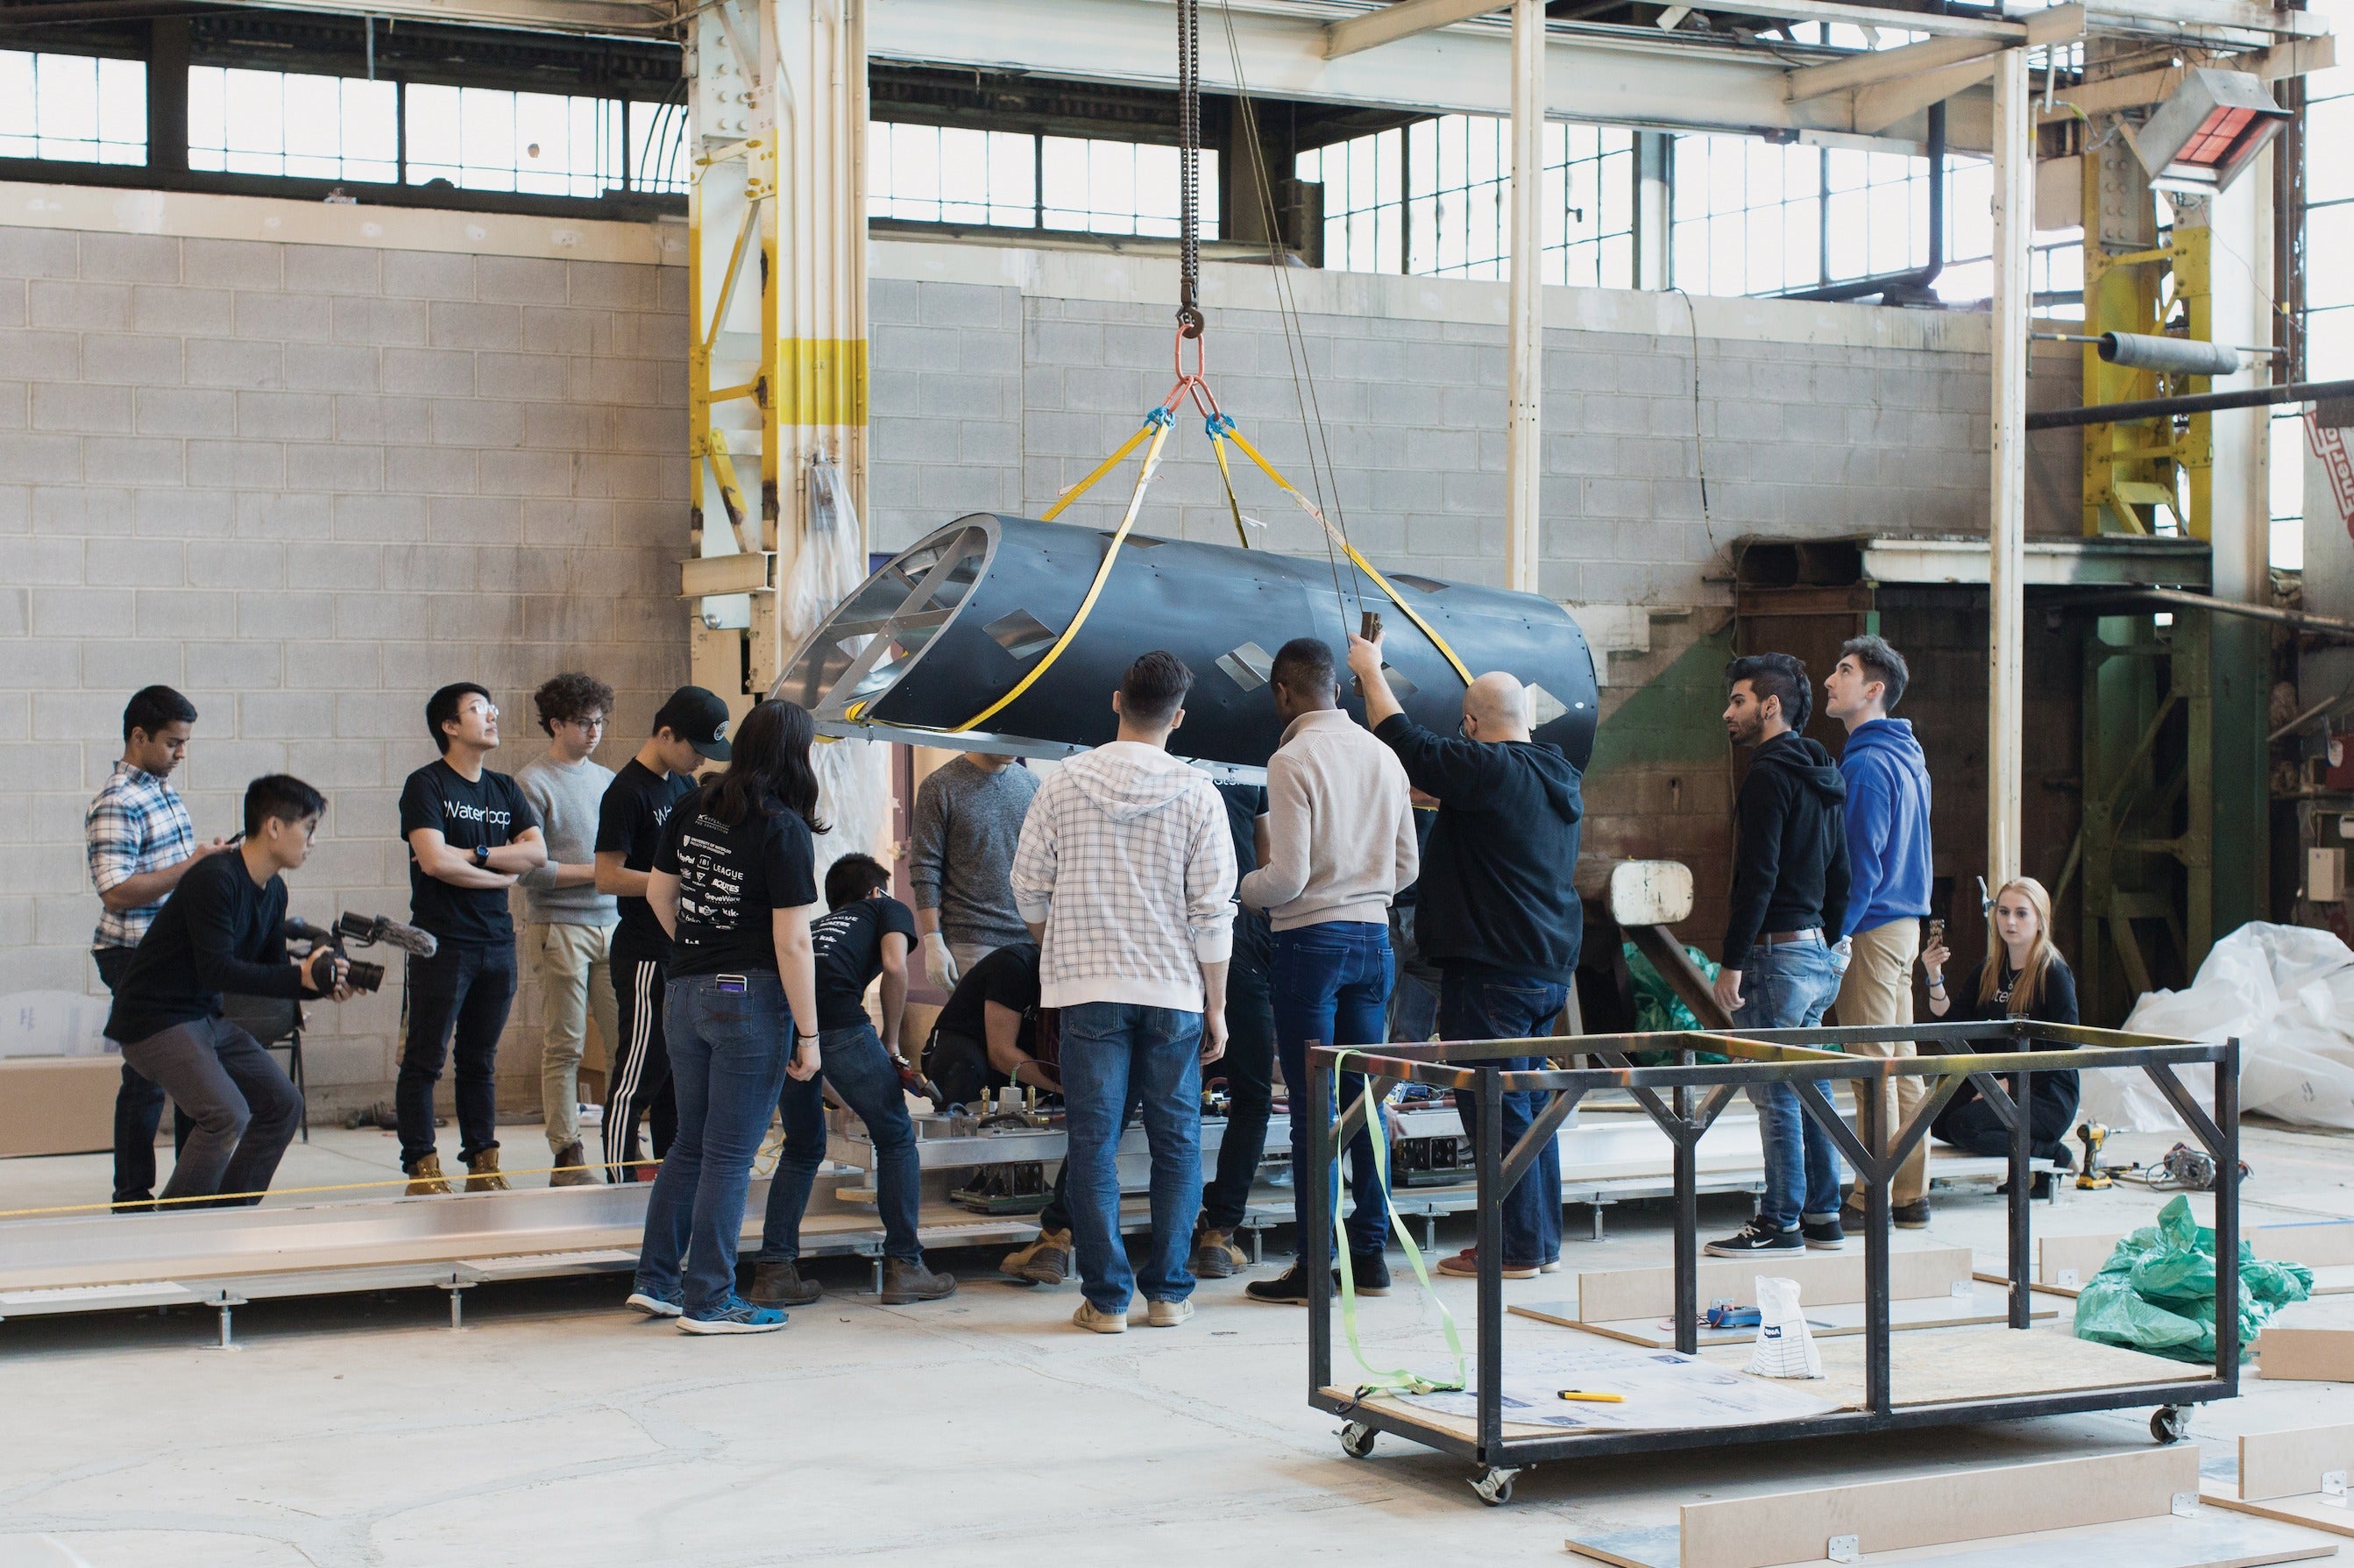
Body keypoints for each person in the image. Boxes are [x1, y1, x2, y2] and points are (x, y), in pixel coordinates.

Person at [1347, 630, 1583, 1281]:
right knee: (1528, 1105)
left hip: (1492, 972)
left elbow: (1407, 742)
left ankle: (1514, 1248)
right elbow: (1475, 801)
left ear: (1472, 724)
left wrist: (1369, 669)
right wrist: (1440, 795)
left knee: (1495, 1105)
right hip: (1543, 969)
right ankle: (1538, 1241)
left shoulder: (1489, 768)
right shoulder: (1555, 773)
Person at [1010, 651, 1235, 1334]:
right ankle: (1167, 1292)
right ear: (1180, 716)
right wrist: (1216, 1005)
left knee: (1094, 1141)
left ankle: (1105, 1299)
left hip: (1088, 988)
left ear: (1116, 701)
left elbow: (1026, 887)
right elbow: (1213, 911)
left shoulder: (1062, 782)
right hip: (1173, 989)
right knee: (1176, 1143)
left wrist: (1061, 946)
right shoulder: (1199, 793)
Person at [627, 699, 823, 1335]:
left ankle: (657, 1282)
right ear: (798, 753)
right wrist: (810, 1034)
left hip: (682, 990)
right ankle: (709, 1299)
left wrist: (696, 948)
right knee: (731, 1154)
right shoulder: (783, 825)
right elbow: (794, 943)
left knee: (690, 1142)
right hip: (749, 996)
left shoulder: (693, 801)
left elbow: (660, 892)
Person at [1237, 637, 1419, 1305]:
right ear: (1336, 690)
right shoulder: (1384, 754)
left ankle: (1316, 1265)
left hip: (1310, 943)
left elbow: (1286, 878)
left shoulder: (1292, 759)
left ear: (1283, 694)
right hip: (1376, 942)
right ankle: (1368, 1256)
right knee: (1361, 1103)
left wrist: (1241, 887)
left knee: (1315, 1108)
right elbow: (1408, 868)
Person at [103, 776, 349, 1208]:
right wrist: (301, 979)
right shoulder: (215, 879)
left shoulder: (274, 890)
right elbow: (218, 969)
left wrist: (323, 986)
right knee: (226, 1113)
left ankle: (228, 1212)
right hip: (154, 1020)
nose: (313, 842)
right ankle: (182, 1225)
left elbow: (270, 972)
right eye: (308, 828)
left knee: (283, 1103)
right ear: (274, 827)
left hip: (202, 1018)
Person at [751, 853, 956, 1308]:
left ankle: (775, 1272)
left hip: (788, 1026)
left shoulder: (820, 923)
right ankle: (906, 1266)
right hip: (843, 1024)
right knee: (896, 1136)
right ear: (875, 889)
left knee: (803, 1148)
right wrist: (890, 1042)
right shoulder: (887, 907)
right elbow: (897, 967)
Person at [1705, 654, 1853, 1258]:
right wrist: (1829, 940)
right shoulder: (1824, 770)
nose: (1727, 712)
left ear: (1770, 706)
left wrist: (1733, 960)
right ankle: (1823, 1212)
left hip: (1776, 957)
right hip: (1816, 954)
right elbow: (1841, 872)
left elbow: (1757, 875)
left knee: (1777, 1093)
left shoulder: (1768, 773)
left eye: (1738, 700)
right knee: (1808, 1085)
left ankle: (1780, 1219)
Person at [397, 683, 548, 1196]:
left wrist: (476, 855)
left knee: (479, 1059)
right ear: (450, 725)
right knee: (426, 1056)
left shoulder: (505, 788)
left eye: (492, 707)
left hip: (496, 943)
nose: (492, 715)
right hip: (442, 942)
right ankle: (421, 1163)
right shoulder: (426, 785)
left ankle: (483, 1162)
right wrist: (501, 873)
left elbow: (536, 854)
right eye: (478, 709)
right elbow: (435, 862)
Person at [87, 685, 223, 1210]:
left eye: (185, 743)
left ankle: (194, 1186)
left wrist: (207, 861)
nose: (181, 754)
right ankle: (133, 1195)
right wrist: (192, 865)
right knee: (148, 1079)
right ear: (138, 737)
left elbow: (167, 872)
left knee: (196, 1071)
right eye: (172, 743)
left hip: (171, 952)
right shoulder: (116, 802)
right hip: (132, 954)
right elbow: (117, 890)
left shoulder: (162, 790)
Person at [595, 686, 732, 1182]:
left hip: (681, 953)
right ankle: (618, 1182)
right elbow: (607, 875)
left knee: (679, 1078)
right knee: (639, 1073)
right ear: (666, 734)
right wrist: (669, 883)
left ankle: (676, 1183)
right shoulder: (627, 791)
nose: (699, 761)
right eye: (695, 749)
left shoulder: (681, 787)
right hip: (644, 954)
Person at [1823, 636, 1937, 1230]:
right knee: (1903, 1065)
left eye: (1843, 671)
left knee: (1873, 1070)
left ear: (1874, 689)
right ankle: (1911, 1194)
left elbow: (1861, 864)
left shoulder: (1865, 762)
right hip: (1904, 925)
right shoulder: (1907, 755)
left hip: (1870, 925)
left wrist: (1837, 935)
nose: (1829, 681)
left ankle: (1874, 1197)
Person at [514, 673, 620, 1188]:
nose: (594, 731)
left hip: (612, 923)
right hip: (560, 925)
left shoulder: (606, 779)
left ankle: (624, 1137)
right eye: (583, 723)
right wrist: (602, 876)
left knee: (627, 1039)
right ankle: (567, 1151)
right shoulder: (531, 782)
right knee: (566, 1043)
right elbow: (530, 870)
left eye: (599, 721)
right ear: (556, 724)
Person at [1926, 877, 2081, 1176]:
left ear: (2040, 920)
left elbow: (2066, 1047)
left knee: (1965, 1125)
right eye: (2003, 911)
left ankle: (2050, 1153)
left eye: (2021, 913)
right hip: (1996, 1082)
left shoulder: (2054, 973)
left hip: (2045, 1093)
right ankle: (2022, 1144)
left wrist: (2010, 1084)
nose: (2010, 921)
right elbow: (1951, 1025)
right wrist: (1935, 976)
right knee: (1933, 1116)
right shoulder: (1989, 968)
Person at [1188, 779, 1280, 1282]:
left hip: (1172, 947)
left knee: (1144, 1094)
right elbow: (1265, 866)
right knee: (1252, 1097)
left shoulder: (1168, 765)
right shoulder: (1249, 771)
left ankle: (1061, 1231)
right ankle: (1219, 1233)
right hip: (1235, 944)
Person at [909, 749, 1039, 993]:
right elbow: (925, 867)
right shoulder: (940, 786)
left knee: (1030, 1030)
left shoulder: (1031, 784)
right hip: (971, 939)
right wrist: (933, 939)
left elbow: (1043, 861)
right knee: (974, 1029)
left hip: (1028, 936)